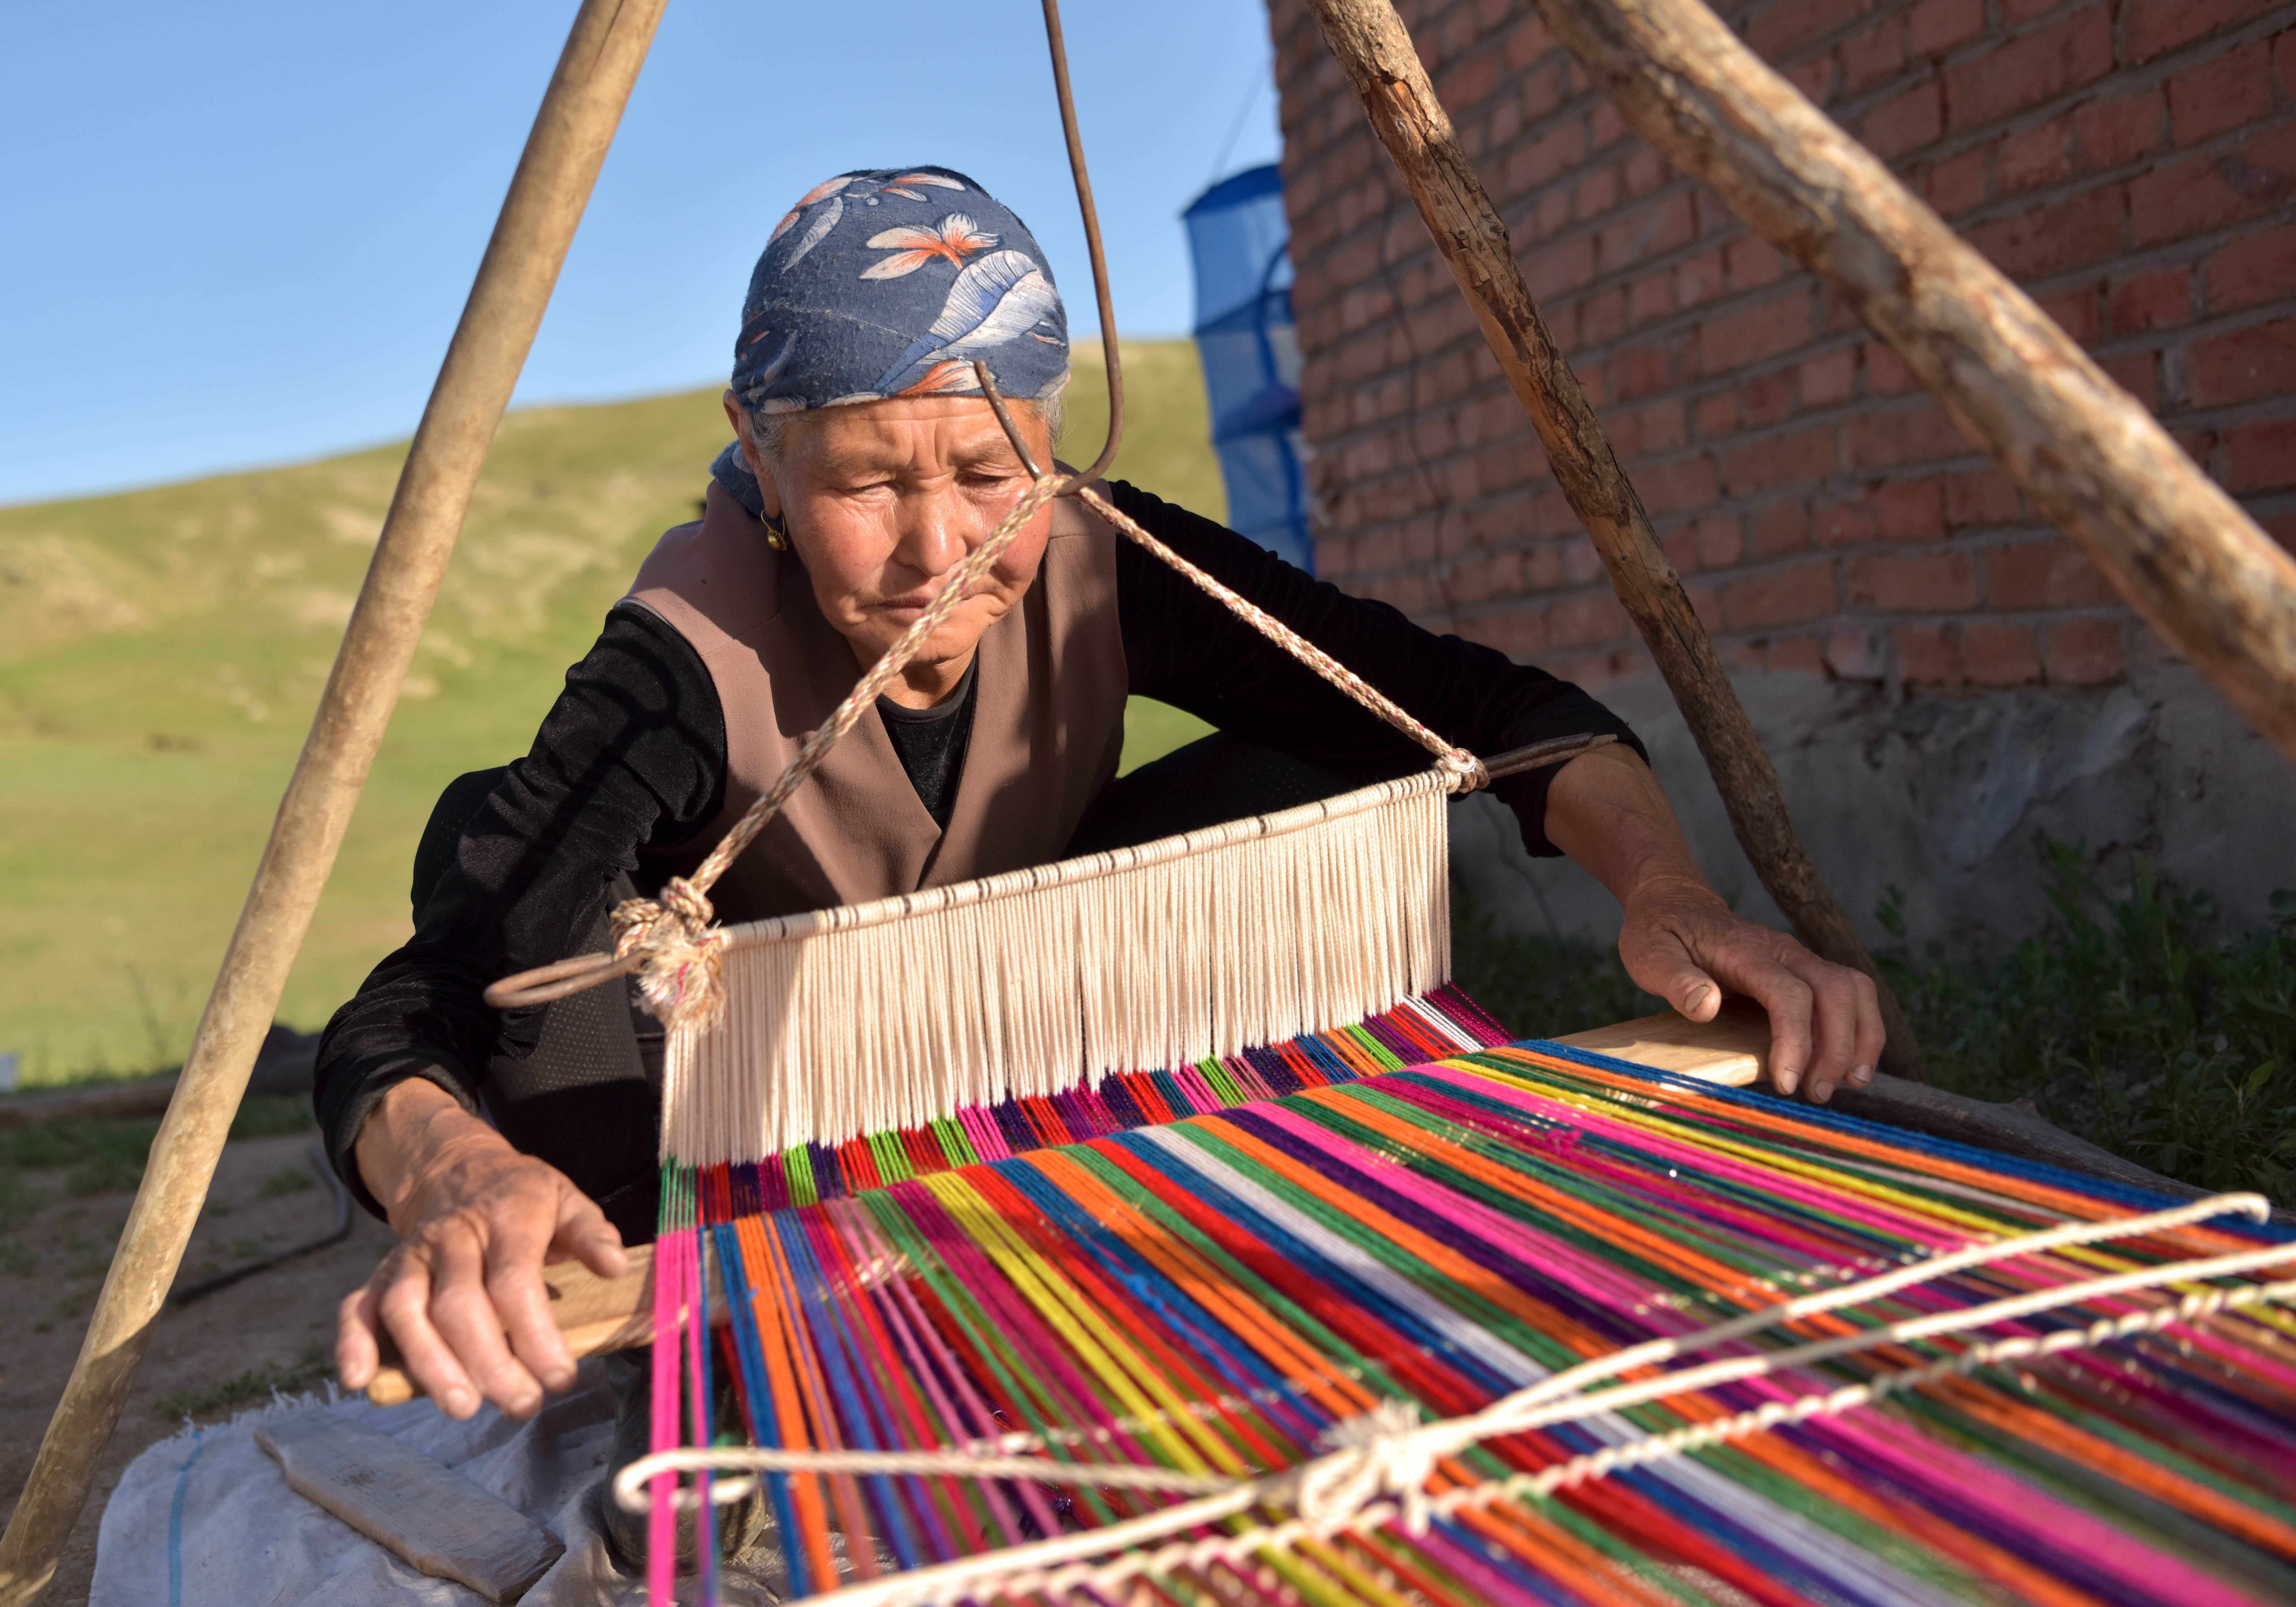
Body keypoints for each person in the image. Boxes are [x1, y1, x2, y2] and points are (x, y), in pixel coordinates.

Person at [317, 165, 1883, 1538]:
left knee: (1316, 759)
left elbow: (1488, 713)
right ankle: (720, 1355)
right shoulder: (688, 657)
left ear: (1052, 446)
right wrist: (457, 1167)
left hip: (1046, 1027)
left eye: (993, 475)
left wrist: (1671, 894)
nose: (942, 550)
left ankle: (1258, 1190)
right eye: (867, 481)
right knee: (521, 940)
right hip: (772, 1087)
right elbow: (420, 1000)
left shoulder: (1098, 553)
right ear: (761, 451)